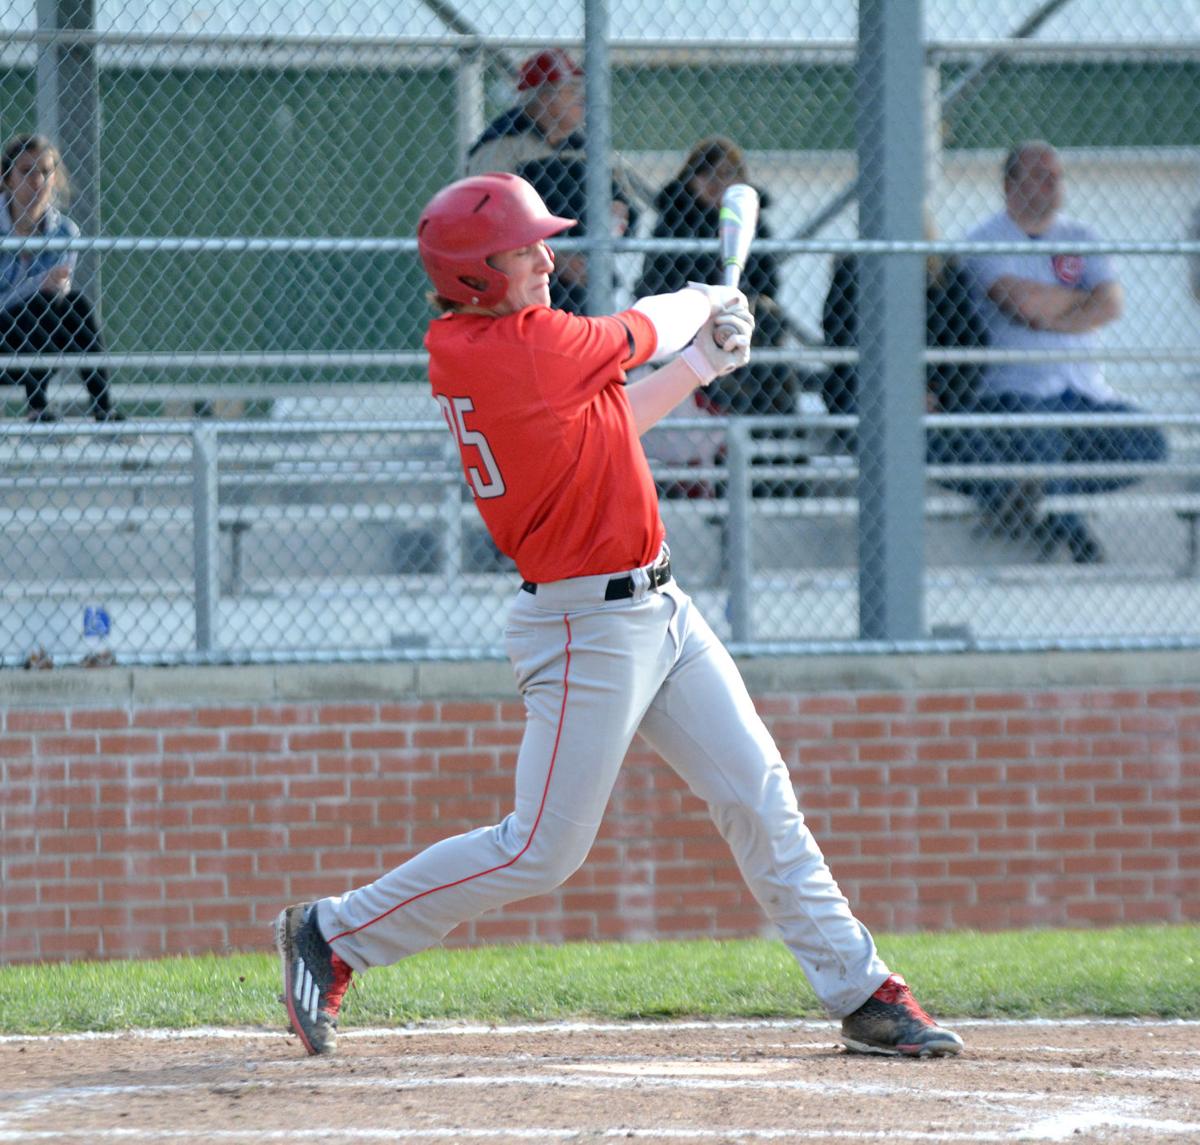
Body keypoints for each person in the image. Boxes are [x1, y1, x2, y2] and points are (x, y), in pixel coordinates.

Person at [273, 171, 964, 1063]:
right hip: (585, 629)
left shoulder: (494, 344)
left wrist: (701, 365)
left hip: (659, 606)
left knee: (758, 793)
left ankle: (863, 992)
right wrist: (708, 301)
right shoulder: (520, 345)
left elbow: (609, 421)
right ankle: (332, 933)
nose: (546, 259)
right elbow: (639, 327)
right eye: (525, 250)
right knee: (540, 849)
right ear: (477, 273)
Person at [963, 140, 1166, 564]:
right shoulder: (984, 240)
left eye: (1057, 175)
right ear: (1009, 185)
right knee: (1042, 442)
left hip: (1085, 391)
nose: (1053, 183)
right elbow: (1022, 306)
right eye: (1040, 175)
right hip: (1018, 390)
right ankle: (1074, 536)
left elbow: (1111, 305)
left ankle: (1048, 509)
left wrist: (1052, 310)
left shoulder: (1081, 237)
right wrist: (1081, 301)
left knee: (1148, 444)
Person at [466, 49, 638, 314]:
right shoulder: (502, 146)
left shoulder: (586, 147)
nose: (582, 99)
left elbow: (625, 204)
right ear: (543, 97)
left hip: (589, 281)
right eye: (571, 90)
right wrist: (557, 258)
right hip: (525, 284)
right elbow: (491, 219)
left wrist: (620, 210)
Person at [636, 136, 794, 416]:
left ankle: (770, 426)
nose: (716, 183)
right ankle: (719, 403)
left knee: (764, 320)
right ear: (689, 178)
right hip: (690, 311)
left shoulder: (753, 222)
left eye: (727, 174)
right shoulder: (674, 220)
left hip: (740, 313)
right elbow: (657, 282)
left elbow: (768, 282)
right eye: (706, 173)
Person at [820, 216, 986, 459]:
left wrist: (938, 395)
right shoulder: (851, 272)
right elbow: (839, 339)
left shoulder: (944, 275)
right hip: (865, 394)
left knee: (962, 441)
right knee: (901, 437)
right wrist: (897, 392)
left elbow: (971, 341)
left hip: (933, 397)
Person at [0, 133, 120, 423]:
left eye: (45, 172)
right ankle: (37, 407)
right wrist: (36, 285)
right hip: (4, 340)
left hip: (40, 343)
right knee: (39, 301)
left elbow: (56, 303)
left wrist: (52, 289)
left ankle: (104, 408)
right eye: (26, 171)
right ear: (8, 178)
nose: (37, 181)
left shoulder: (65, 232)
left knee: (75, 303)